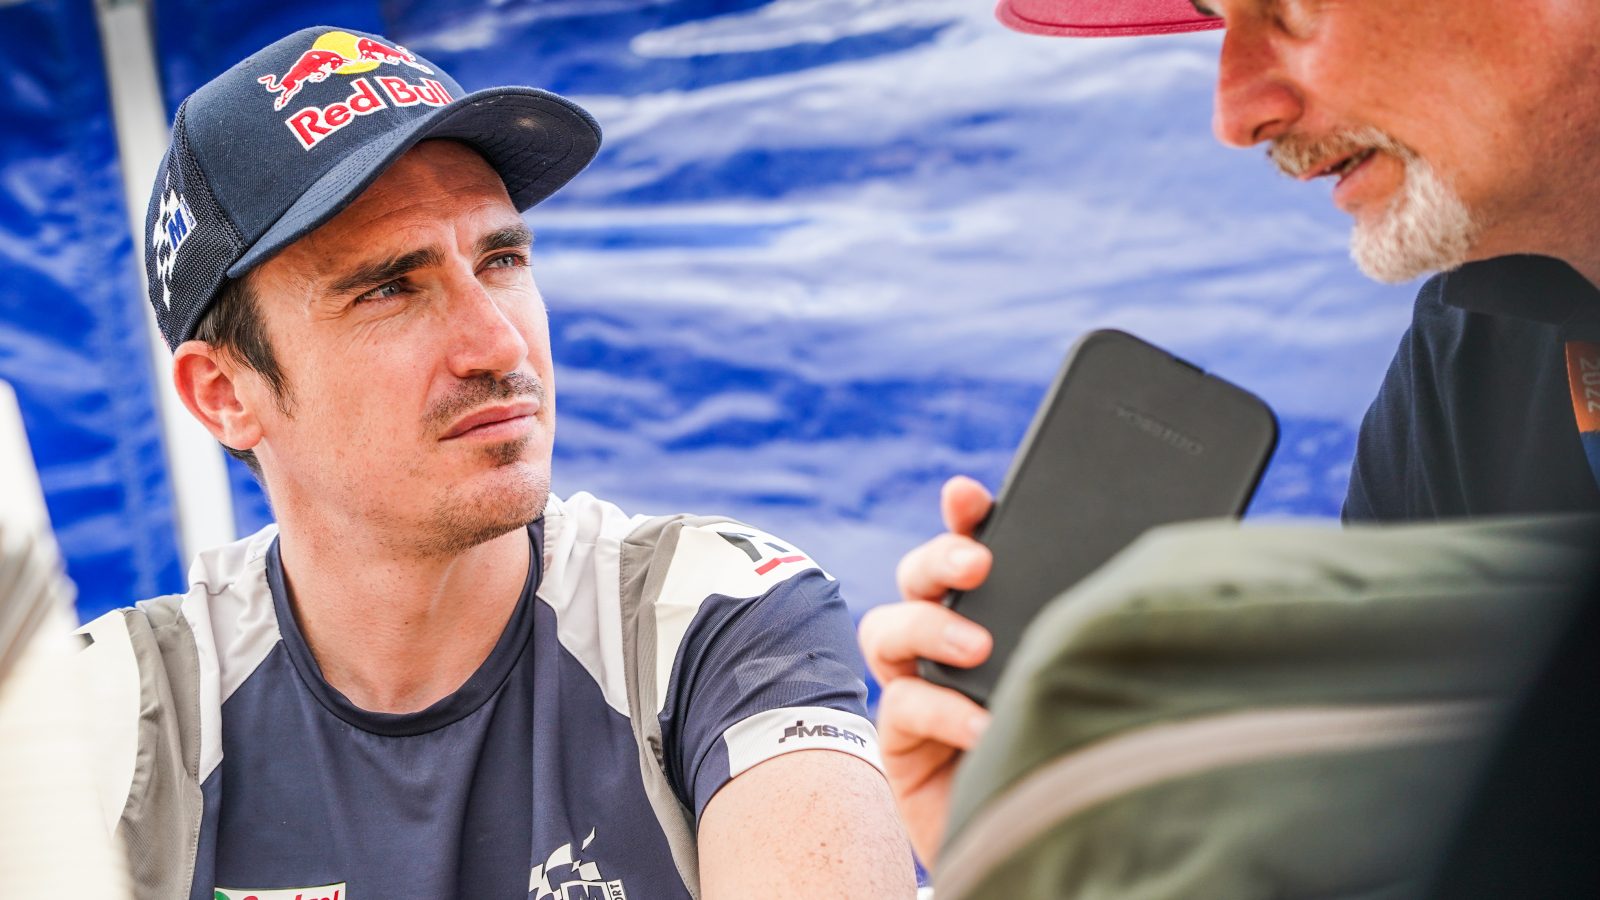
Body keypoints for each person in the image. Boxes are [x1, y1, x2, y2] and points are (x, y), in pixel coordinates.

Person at [75, 26, 913, 900]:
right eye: (390, 288)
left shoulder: (707, 614)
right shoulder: (107, 716)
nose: (499, 343)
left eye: (501, 259)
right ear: (224, 394)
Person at [860, 0, 1600, 868]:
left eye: (1291, 9)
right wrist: (1059, 856)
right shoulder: (1468, 352)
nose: (1236, 113)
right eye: (1221, 19)